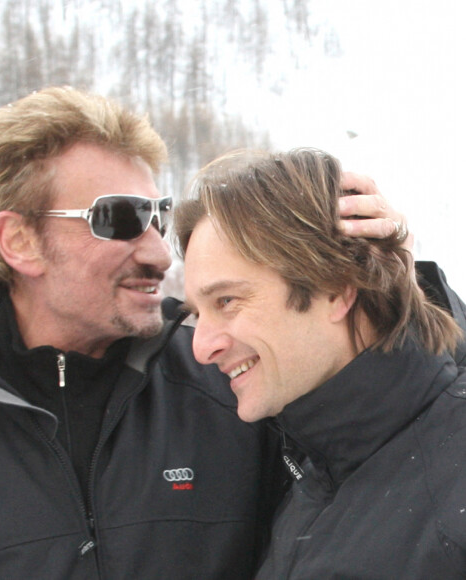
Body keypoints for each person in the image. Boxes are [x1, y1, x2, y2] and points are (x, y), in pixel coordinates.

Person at [0, 87, 456, 580]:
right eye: (119, 219)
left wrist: (388, 279)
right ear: (20, 241)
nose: (160, 253)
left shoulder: (228, 385)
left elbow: (388, 420)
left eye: (157, 216)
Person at [175, 147, 466, 578]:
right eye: (198, 314)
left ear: (337, 288)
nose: (201, 348)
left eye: (227, 301)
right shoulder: (309, 466)